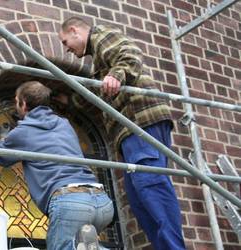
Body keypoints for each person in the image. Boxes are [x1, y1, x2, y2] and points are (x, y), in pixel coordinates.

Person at [57, 17, 186, 250]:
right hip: (128, 132)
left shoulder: (102, 36)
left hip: (141, 121)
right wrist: (69, 101)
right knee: (138, 200)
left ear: (75, 31)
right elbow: (95, 96)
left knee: (150, 186)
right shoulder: (97, 59)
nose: (66, 48)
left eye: (66, 41)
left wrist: (116, 75)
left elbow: (129, 54)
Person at [0, 81, 114, 250]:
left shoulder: (23, 132)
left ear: (24, 103)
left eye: (17, 101)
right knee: (82, 246)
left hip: (70, 202)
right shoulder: (64, 124)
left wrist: (3, 137)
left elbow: (1, 157)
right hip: (102, 202)